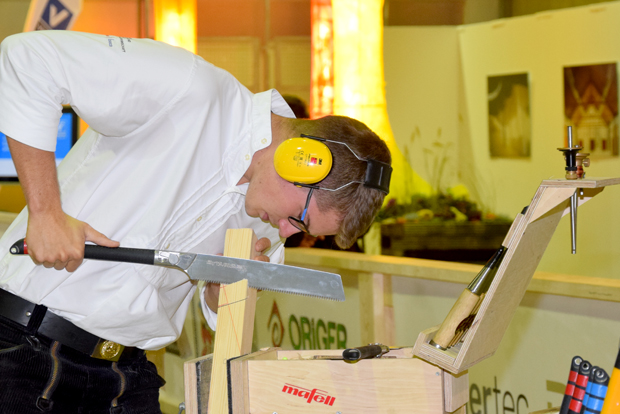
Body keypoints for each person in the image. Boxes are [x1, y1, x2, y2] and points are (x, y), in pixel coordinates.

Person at [0, 30, 391, 414]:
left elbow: (215, 311)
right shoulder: (188, 89)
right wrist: (46, 212)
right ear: (301, 161)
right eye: (300, 219)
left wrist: (221, 295)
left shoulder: (266, 219)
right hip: (24, 353)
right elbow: (28, 57)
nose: (287, 232)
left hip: (126, 379)